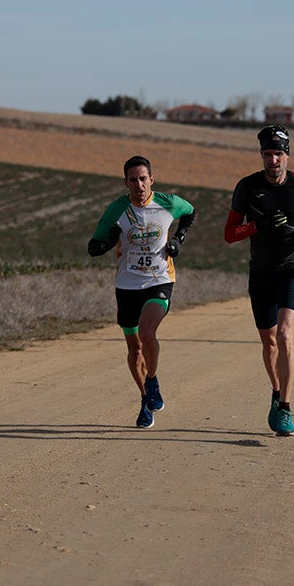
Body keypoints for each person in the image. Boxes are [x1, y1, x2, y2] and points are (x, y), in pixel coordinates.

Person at [224, 125, 294, 436]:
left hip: (293, 269)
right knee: (269, 341)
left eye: (279, 154)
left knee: (285, 336)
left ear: (287, 156)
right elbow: (230, 234)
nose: (273, 160)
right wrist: (256, 226)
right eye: (268, 154)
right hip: (261, 274)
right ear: (262, 156)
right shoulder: (247, 187)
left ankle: (285, 407)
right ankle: (275, 392)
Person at [87, 156, 196, 429]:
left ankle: (153, 379)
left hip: (159, 280)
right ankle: (146, 399)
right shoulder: (117, 210)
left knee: (148, 333)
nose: (139, 184)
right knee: (135, 351)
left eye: (143, 178)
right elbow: (94, 245)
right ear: (126, 183)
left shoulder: (168, 203)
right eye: (133, 180)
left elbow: (191, 212)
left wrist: (178, 240)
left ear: (152, 180)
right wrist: (108, 241)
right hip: (126, 286)